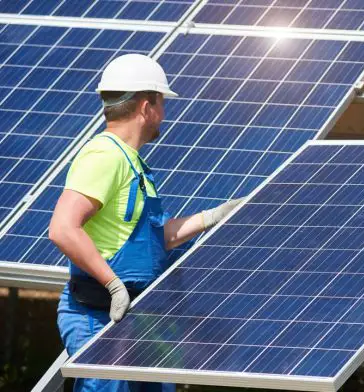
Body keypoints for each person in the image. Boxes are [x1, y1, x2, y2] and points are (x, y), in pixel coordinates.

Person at [49, 54, 242, 392]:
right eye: (161, 103)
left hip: (137, 319)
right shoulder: (105, 157)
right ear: (144, 106)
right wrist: (112, 284)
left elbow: (154, 239)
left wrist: (213, 217)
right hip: (99, 316)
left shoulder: (132, 163)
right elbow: (63, 228)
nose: (163, 114)